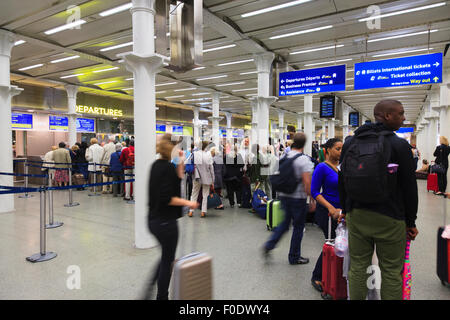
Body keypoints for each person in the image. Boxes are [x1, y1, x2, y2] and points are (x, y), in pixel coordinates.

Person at [339, 99, 419, 300]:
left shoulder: (350, 142)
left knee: (358, 266)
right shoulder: (400, 145)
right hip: (390, 218)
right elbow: (410, 188)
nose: (404, 117)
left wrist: (346, 211)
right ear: (387, 116)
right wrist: (411, 221)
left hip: (357, 215)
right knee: (391, 271)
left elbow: (343, 180)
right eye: (400, 113)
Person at [144, 134, 199, 300]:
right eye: (178, 146)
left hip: (153, 219)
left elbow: (178, 179)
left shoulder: (156, 165)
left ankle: (149, 289)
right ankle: (162, 296)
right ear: (173, 147)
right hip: (165, 223)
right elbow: (168, 198)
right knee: (167, 261)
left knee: (166, 257)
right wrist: (189, 203)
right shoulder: (167, 168)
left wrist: (180, 161)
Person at [263, 132, 314, 265]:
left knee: (284, 224)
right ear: (304, 144)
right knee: (298, 227)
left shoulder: (285, 155)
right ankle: (294, 256)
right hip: (298, 198)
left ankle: (269, 245)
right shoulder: (304, 160)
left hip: (284, 195)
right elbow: (307, 182)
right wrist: (312, 199)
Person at [310, 138, 343, 293]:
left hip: (342, 212)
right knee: (331, 243)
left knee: (340, 243)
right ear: (328, 150)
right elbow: (315, 191)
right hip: (327, 212)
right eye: (338, 148)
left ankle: (336, 274)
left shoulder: (344, 166)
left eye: (342, 148)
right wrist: (330, 207)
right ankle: (317, 275)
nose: (341, 151)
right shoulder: (321, 168)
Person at [188, 141, 215, 218]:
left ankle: (191, 211)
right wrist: (213, 180)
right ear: (206, 147)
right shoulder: (208, 155)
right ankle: (203, 212)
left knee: (194, 194)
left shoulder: (194, 154)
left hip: (196, 177)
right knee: (205, 195)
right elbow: (211, 169)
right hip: (206, 178)